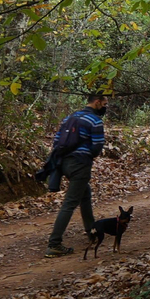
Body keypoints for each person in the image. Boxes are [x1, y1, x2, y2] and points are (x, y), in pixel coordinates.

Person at [46, 90, 108, 257]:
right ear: (97, 102)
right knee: (70, 203)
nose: (105, 107)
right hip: (80, 165)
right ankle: (54, 244)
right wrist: (86, 155)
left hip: (63, 164)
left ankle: (92, 231)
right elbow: (96, 147)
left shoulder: (69, 118)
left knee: (84, 194)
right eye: (104, 104)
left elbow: (57, 140)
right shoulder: (95, 121)